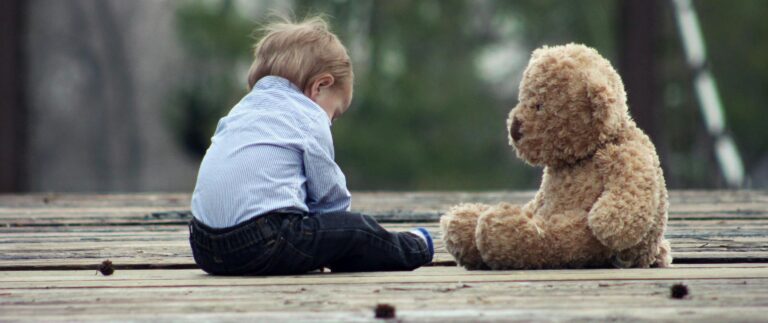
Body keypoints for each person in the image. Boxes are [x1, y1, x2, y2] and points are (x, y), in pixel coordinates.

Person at [188, 16, 433, 275]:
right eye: (335, 113)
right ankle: (415, 246)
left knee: (319, 236)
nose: (330, 121)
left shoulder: (240, 111)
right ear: (320, 86)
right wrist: (338, 233)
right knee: (358, 230)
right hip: (262, 243)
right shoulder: (308, 115)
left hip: (204, 246)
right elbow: (330, 198)